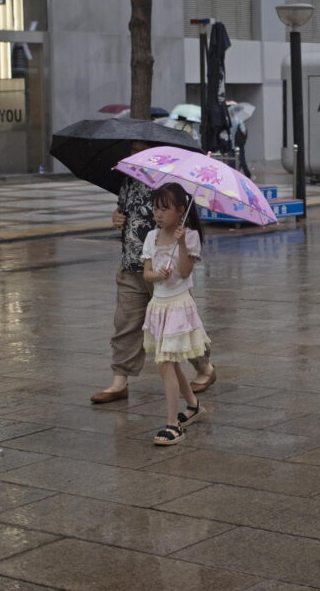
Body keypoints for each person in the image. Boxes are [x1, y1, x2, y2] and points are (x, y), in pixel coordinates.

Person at [90, 142, 215, 404]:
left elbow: (185, 217)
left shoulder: (173, 183)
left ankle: (204, 368)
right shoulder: (128, 179)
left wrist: (181, 245)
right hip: (132, 263)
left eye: (140, 149)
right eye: (132, 150)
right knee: (125, 323)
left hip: (168, 272)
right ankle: (119, 381)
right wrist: (116, 217)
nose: (134, 154)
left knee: (180, 325)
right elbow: (122, 209)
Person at [141, 183, 210, 445]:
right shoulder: (151, 236)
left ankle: (173, 424)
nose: (159, 214)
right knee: (168, 360)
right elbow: (146, 274)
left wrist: (181, 244)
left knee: (165, 363)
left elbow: (184, 272)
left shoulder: (189, 237)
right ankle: (192, 406)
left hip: (178, 306)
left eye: (165, 209)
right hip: (158, 306)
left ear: (181, 210)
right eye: (156, 208)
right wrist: (157, 274)